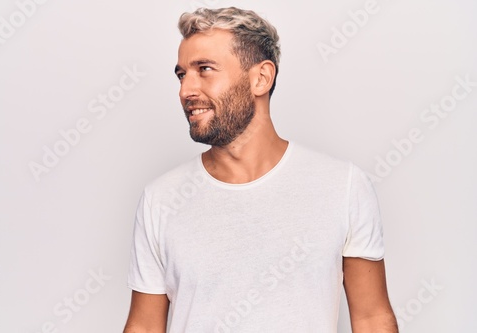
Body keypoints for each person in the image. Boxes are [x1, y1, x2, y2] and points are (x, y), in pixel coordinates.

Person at [123, 6, 398, 333]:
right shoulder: (161, 199)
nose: (186, 90)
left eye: (205, 69)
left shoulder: (344, 185)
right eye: (182, 74)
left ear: (261, 78)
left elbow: (372, 318)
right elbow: (143, 326)